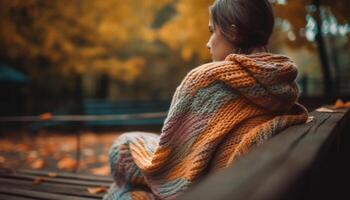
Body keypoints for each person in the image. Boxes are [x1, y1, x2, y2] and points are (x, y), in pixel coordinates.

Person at [104, 0, 309, 199]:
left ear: (233, 31)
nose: (208, 43)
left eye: (212, 32)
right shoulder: (282, 83)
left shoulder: (207, 80)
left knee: (122, 148)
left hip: (208, 185)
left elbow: (168, 164)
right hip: (243, 177)